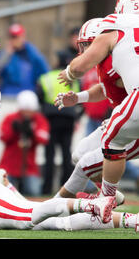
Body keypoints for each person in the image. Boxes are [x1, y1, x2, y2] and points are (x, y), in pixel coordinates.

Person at [57, 0, 139, 202]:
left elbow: (80, 68)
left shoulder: (114, 41)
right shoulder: (119, 54)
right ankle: (111, 196)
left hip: (132, 121)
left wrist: (118, 119)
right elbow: (106, 89)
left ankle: (58, 203)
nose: (86, 49)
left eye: (88, 44)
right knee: (79, 155)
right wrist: (79, 97)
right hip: (129, 116)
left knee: (86, 162)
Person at [37, 46, 81, 195]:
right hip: (68, 119)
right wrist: (77, 117)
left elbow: (39, 98)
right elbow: (80, 100)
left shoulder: (46, 77)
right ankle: (66, 189)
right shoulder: (73, 79)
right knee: (66, 154)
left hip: (50, 119)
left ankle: (46, 189)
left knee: (49, 155)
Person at [0, 90, 49, 197]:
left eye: (30, 111)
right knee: (1, 192)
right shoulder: (11, 118)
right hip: (9, 165)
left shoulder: (39, 119)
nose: (28, 114)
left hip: (29, 167)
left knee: (34, 193)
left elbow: (44, 138)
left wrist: (32, 133)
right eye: (25, 111)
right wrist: (14, 130)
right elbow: (2, 137)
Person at [0, 23, 49, 96]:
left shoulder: (32, 53)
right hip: (8, 93)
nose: (15, 40)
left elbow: (45, 72)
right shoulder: (5, 54)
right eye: (12, 37)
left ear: (23, 37)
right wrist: (6, 54)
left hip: (28, 93)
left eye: (17, 37)